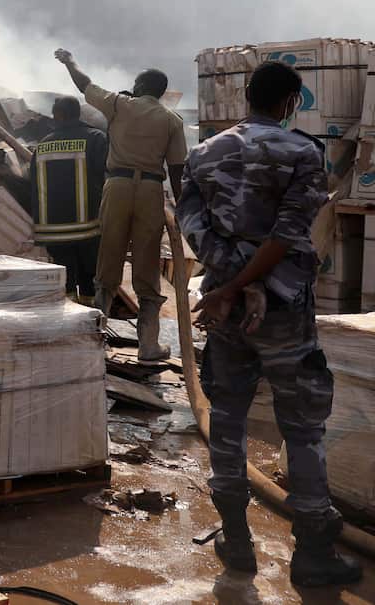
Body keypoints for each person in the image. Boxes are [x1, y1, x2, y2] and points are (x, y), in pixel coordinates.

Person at [177, 60, 362, 587]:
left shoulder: (204, 154)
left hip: (225, 311)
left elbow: (191, 224)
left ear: (247, 97)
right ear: (289, 103)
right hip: (284, 311)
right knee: (302, 427)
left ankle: (237, 541)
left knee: (227, 418)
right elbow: (288, 232)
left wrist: (229, 284)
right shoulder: (303, 152)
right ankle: (313, 553)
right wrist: (250, 283)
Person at [54, 48, 187, 361]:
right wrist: (181, 208)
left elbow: (85, 85)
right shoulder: (172, 120)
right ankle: (149, 345)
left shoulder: (119, 104)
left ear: (139, 86)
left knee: (109, 257)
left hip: (117, 186)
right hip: (151, 191)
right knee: (147, 263)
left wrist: (70, 62)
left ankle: (96, 340)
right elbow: (177, 170)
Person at [29, 95, 108, 302]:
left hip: (53, 229)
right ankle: (89, 313)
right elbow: (107, 177)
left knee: (65, 280)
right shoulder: (96, 138)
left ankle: (70, 314)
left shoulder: (43, 145)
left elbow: (33, 184)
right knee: (89, 277)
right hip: (88, 227)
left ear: (58, 115)